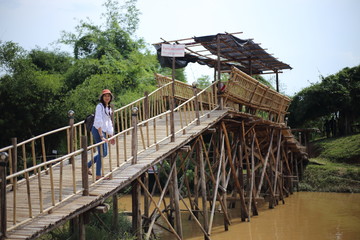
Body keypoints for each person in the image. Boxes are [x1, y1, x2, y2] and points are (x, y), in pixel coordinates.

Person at [88, 89, 115, 180]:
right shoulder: (99, 106)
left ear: (110, 97)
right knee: (101, 153)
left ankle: (87, 166)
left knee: (105, 153)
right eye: (105, 96)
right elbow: (98, 121)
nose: (107, 97)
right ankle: (98, 175)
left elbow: (108, 122)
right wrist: (101, 136)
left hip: (102, 131)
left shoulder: (108, 108)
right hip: (97, 130)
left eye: (108, 96)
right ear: (102, 97)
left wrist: (111, 136)